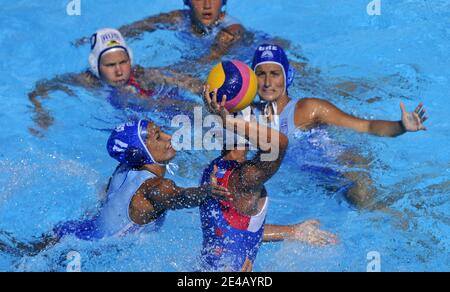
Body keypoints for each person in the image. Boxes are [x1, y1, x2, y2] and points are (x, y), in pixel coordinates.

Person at [0, 118, 335, 259]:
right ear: (142, 154)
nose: (165, 136)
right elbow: (175, 197)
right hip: (85, 253)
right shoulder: (156, 187)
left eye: (160, 130)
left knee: (17, 252)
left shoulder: (125, 169)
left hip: (71, 231)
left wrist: (291, 231)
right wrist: (203, 194)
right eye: (155, 138)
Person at [250, 44, 429, 208]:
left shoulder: (307, 109)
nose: (267, 82)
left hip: (345, 169)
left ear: (287, 75)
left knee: (372, 208)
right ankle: (424, 199)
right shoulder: (250, 115)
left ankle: (428, 201)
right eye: (261, 74)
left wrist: (400, 126)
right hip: (321, 181)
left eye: (274, 74)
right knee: (381, 208)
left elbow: (366, 126)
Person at [199, 87, 337, 272]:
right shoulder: (244, 179)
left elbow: (236, 232)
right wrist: (229, 121)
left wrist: (292, 231)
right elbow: (277, 144)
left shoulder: (212, 171)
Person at [29, 28, 203, 136]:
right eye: (110, 65)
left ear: (130, 59)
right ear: (96, 67)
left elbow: (188, 82)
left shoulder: (143, 74)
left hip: (169, 110)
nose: (119, 71)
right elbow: (42, 87)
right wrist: (41, 113)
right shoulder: (88, 81)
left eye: (123, 62)